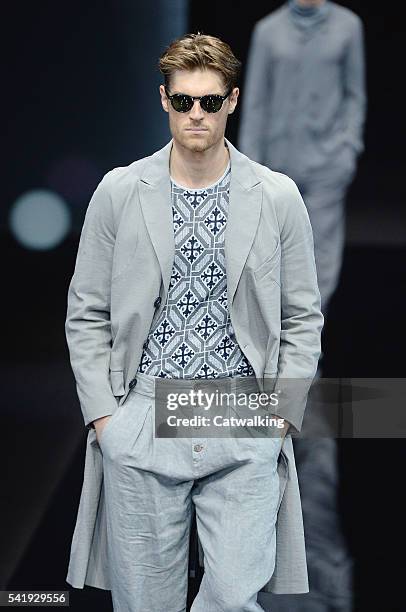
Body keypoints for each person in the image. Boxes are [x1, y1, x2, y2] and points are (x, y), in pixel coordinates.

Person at [64, 32, 323, 611]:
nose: (196, 115)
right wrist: (107, 419)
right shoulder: (120, 191)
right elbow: (87, 311)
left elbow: (303, 314)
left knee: (231, 600)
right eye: (184, 102)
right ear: (164, 100)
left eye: (210, 101)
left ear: (233, 100)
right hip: (146, 413)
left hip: (240, 410)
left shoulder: (277, 197)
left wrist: (281, 415)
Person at [238, 2, 366, 610]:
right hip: (278, 167)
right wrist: (249, 172)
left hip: (325, 164)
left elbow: (354, 93)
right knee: (275, 268)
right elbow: (254, 100)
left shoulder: (347, 27)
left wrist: (347, 149)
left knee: (323, 267)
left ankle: (303, 357)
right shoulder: (267, 30)